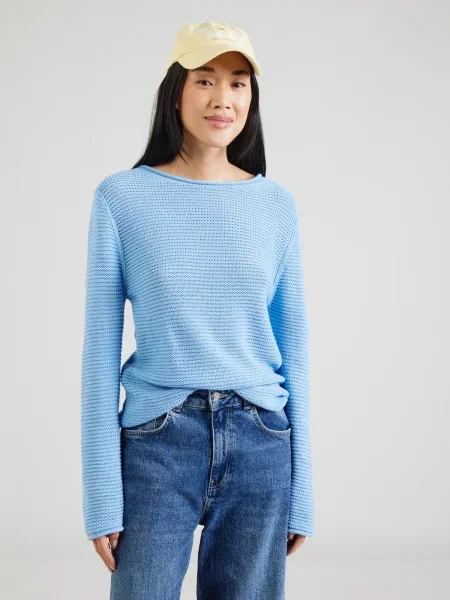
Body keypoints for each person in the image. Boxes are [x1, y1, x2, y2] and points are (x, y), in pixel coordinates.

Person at [81, 20, 314, 600]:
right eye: (205, 79)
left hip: (261, 440)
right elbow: (98, 352)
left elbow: (295, 351)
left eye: (238, 83)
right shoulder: (122, 199)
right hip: (158, 440)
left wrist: (303, 490)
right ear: (176, 91)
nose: (222, 99)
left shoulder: (275, 206)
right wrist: (101, 494)